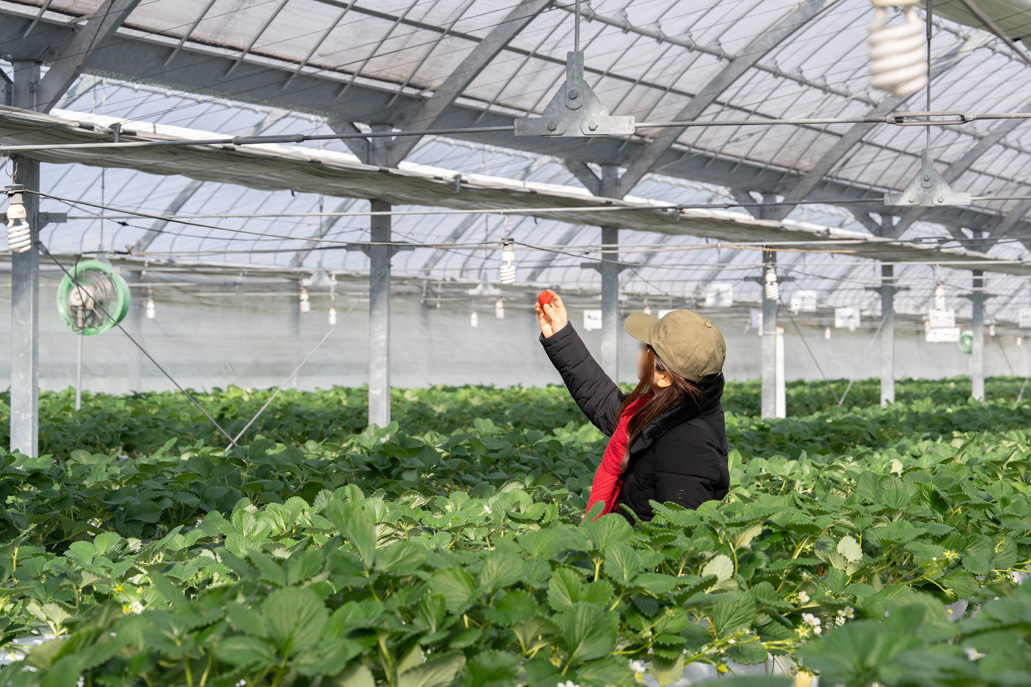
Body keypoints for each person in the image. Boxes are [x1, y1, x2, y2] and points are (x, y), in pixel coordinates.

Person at [536, 290, 729, 524]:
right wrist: (560, 334)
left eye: (647, 346)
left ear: (665, 378)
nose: (641, 349)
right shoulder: (665, 406)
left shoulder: (686, 448)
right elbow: (609, 407)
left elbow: (680, 540)